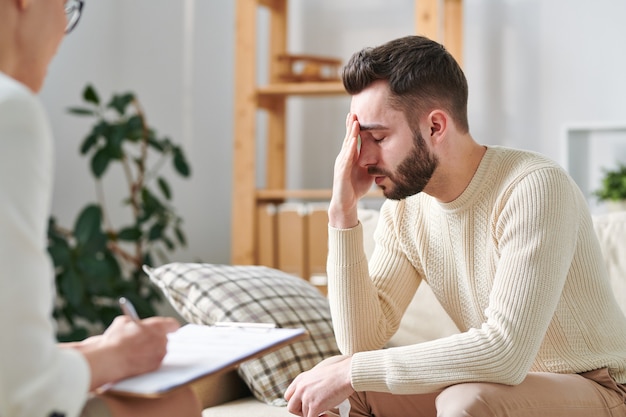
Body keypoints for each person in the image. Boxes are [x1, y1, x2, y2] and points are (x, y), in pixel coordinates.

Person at [284, 35, 626, 417]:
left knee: (463, 401)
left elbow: (505, 351)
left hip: (597, 386)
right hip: (499, 385)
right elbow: (359, 343)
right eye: (359, 139)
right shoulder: (406, 210)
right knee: (336, 387)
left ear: (435, 126)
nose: (363, 158)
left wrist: (355, 369)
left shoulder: (533, 186)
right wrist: (342, 214)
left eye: (377, 137)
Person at [0, 1, 202, 416]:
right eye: (65, 6)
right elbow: (19, 391)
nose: (63, 29)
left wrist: (85, 351)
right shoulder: (11, 111)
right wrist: (117, 357)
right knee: (173, 404)